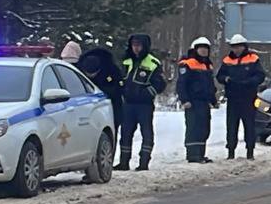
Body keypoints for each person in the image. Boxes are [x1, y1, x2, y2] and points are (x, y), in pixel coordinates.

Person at [120, 34, 167, 171]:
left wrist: (146, 94)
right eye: (134, 45)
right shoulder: (126, 61)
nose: (136, 48)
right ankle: (123, 162)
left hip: (144, 105)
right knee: (125, 134)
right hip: (128, 103)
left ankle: (144, 162)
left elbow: (160, 84)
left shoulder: (153, 63)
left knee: (146, 133)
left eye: (139, 45)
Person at [216, 34, 265, 160]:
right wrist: (226, 79)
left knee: (249, 126)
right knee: (231, 127)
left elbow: (260, 76)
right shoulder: (227, 60)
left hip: (248, 98)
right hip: (233, 98)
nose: (237, 49)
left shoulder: (253, 58)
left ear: (244, 46)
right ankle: (231, 152)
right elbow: (219, 76)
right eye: (234, 47)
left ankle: (250, 152)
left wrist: (250, 82)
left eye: (239, 47)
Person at [177, 37, 218, 164]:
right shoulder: (188, 63)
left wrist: (213, 99)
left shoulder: (207, 65)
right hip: (192, 102)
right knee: (193, 128)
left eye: (206, 48)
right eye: (201, 48)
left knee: (204, 128)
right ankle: (193, 155)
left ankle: (201, 153)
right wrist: (184, 100)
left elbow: (210, 85)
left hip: (204, 102)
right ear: (195, 49)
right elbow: (181, 84)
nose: (204, 51)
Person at [78, 47, 124, 146]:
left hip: (111, 106)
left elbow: (119, 88)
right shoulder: (79, 68)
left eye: (93, 74)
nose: (91, 76)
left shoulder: (112, 69)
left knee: (110, 134)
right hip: (85, 107)